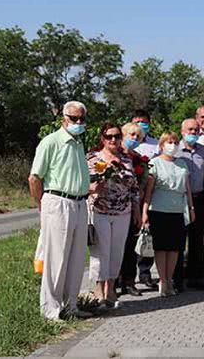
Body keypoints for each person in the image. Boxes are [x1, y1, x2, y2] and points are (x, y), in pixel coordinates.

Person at [28, 101, 91, 320]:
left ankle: (71, 305)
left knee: (76, 257)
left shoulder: (78, 143)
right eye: (74, 119)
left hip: (80, 203)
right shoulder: (51, 142)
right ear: (64, 118)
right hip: (58, 201)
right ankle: (50, 311)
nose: (79, 123)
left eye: (82, 119)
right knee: (56, 257)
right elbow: (34, 177)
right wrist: (41, 204)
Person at [86, 123, 140, 308]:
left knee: (116, 252)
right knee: (101, 252)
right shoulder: (93, 158)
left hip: (122, 212)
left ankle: (111, 291)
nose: (113, 140)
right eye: (109, 136)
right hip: (100, 210)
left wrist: (137, 210)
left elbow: (134, 187)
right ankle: (99, 292)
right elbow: (88, 185)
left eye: (116, 136)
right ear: (102, 138)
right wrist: (103, 176)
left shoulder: (126, 159)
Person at [142, 132, 196, 297]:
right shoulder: (154, 163)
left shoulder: (182, 164)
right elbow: (149, 191)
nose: (172, 145)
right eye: (169, 142)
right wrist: (144, 211)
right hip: (159, 209)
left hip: (178, 209)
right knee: (161, 247)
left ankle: (170, 279)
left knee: (174, 248)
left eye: (175, 142)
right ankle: (163, 280)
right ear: (162, 145)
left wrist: (191, 208)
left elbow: (187, 189)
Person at [175, 118, 204, 290]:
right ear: (182, 132)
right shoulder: (175, 150)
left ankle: (195, 277)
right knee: (179, 239)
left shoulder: (203, 151)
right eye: (189, 130)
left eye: (196, 130)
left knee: (197, 240)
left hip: (199, 198)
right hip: (178, 200)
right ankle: (177, 279)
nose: (193, 133)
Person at [117, 122, 151, 297]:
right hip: (114, 206)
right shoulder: (115, 154)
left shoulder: (138, 158)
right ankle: (114, 281)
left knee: (131, 245)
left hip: (133, 206)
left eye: (138, 137)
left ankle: (129, 282)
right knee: (115, 246)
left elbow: (141, 185)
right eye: (131, 135)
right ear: (123, 134)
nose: (134, 139)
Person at [131, 109, 160, 289]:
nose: (141, 125)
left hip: (149, 194)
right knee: (129, 237)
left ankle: (145, 272)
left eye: (144, 121)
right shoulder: (127, 142)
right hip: (128, 196)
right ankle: (125, 276)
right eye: (137, 121)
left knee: (147, 235)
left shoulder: (155, 145)